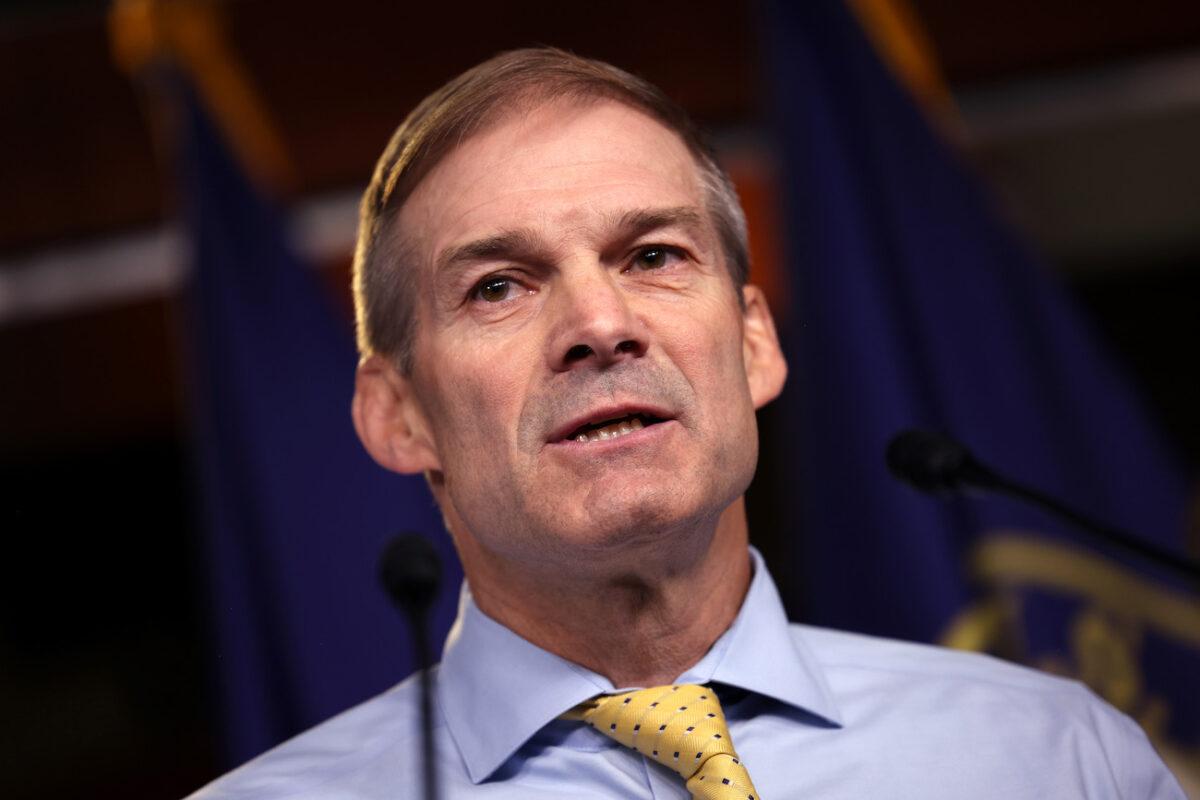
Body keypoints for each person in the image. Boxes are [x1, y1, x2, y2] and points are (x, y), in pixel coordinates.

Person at [188, 48, 1184, 799]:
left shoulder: (1056, 756)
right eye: (499, 285)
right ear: (397, 415)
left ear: (753, 343)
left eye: (654, 256)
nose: (601, 325)